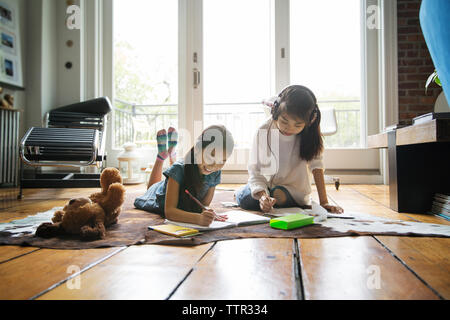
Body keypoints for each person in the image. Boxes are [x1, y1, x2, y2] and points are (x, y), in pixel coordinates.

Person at [235, 85, 344, 213]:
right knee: (248, 198)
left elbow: (317, 167)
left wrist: (324, 202)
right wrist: (263, 197)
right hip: (265, 186)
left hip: (293, 191)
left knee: (278, 196)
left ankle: (269, 196)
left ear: (309, 122)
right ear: (275, 111)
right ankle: (242, 193)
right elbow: (256, 172)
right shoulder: (264, 131)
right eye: (284, 121)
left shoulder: (310, 134)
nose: (289, 129)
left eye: (298, 125)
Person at [134, 125, 235, 226]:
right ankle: (161, 156)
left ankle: (172, 154)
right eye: (211, 155)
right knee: (151, 187)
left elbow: (204, 205)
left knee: (175, 172)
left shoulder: (215, 173)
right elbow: (169, 212)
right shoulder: (178, 169)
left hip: (176, 178)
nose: (214, 165)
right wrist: (198, 219)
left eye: (222, 160)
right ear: (197, 149)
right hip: (158, 195)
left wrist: (208, 213)